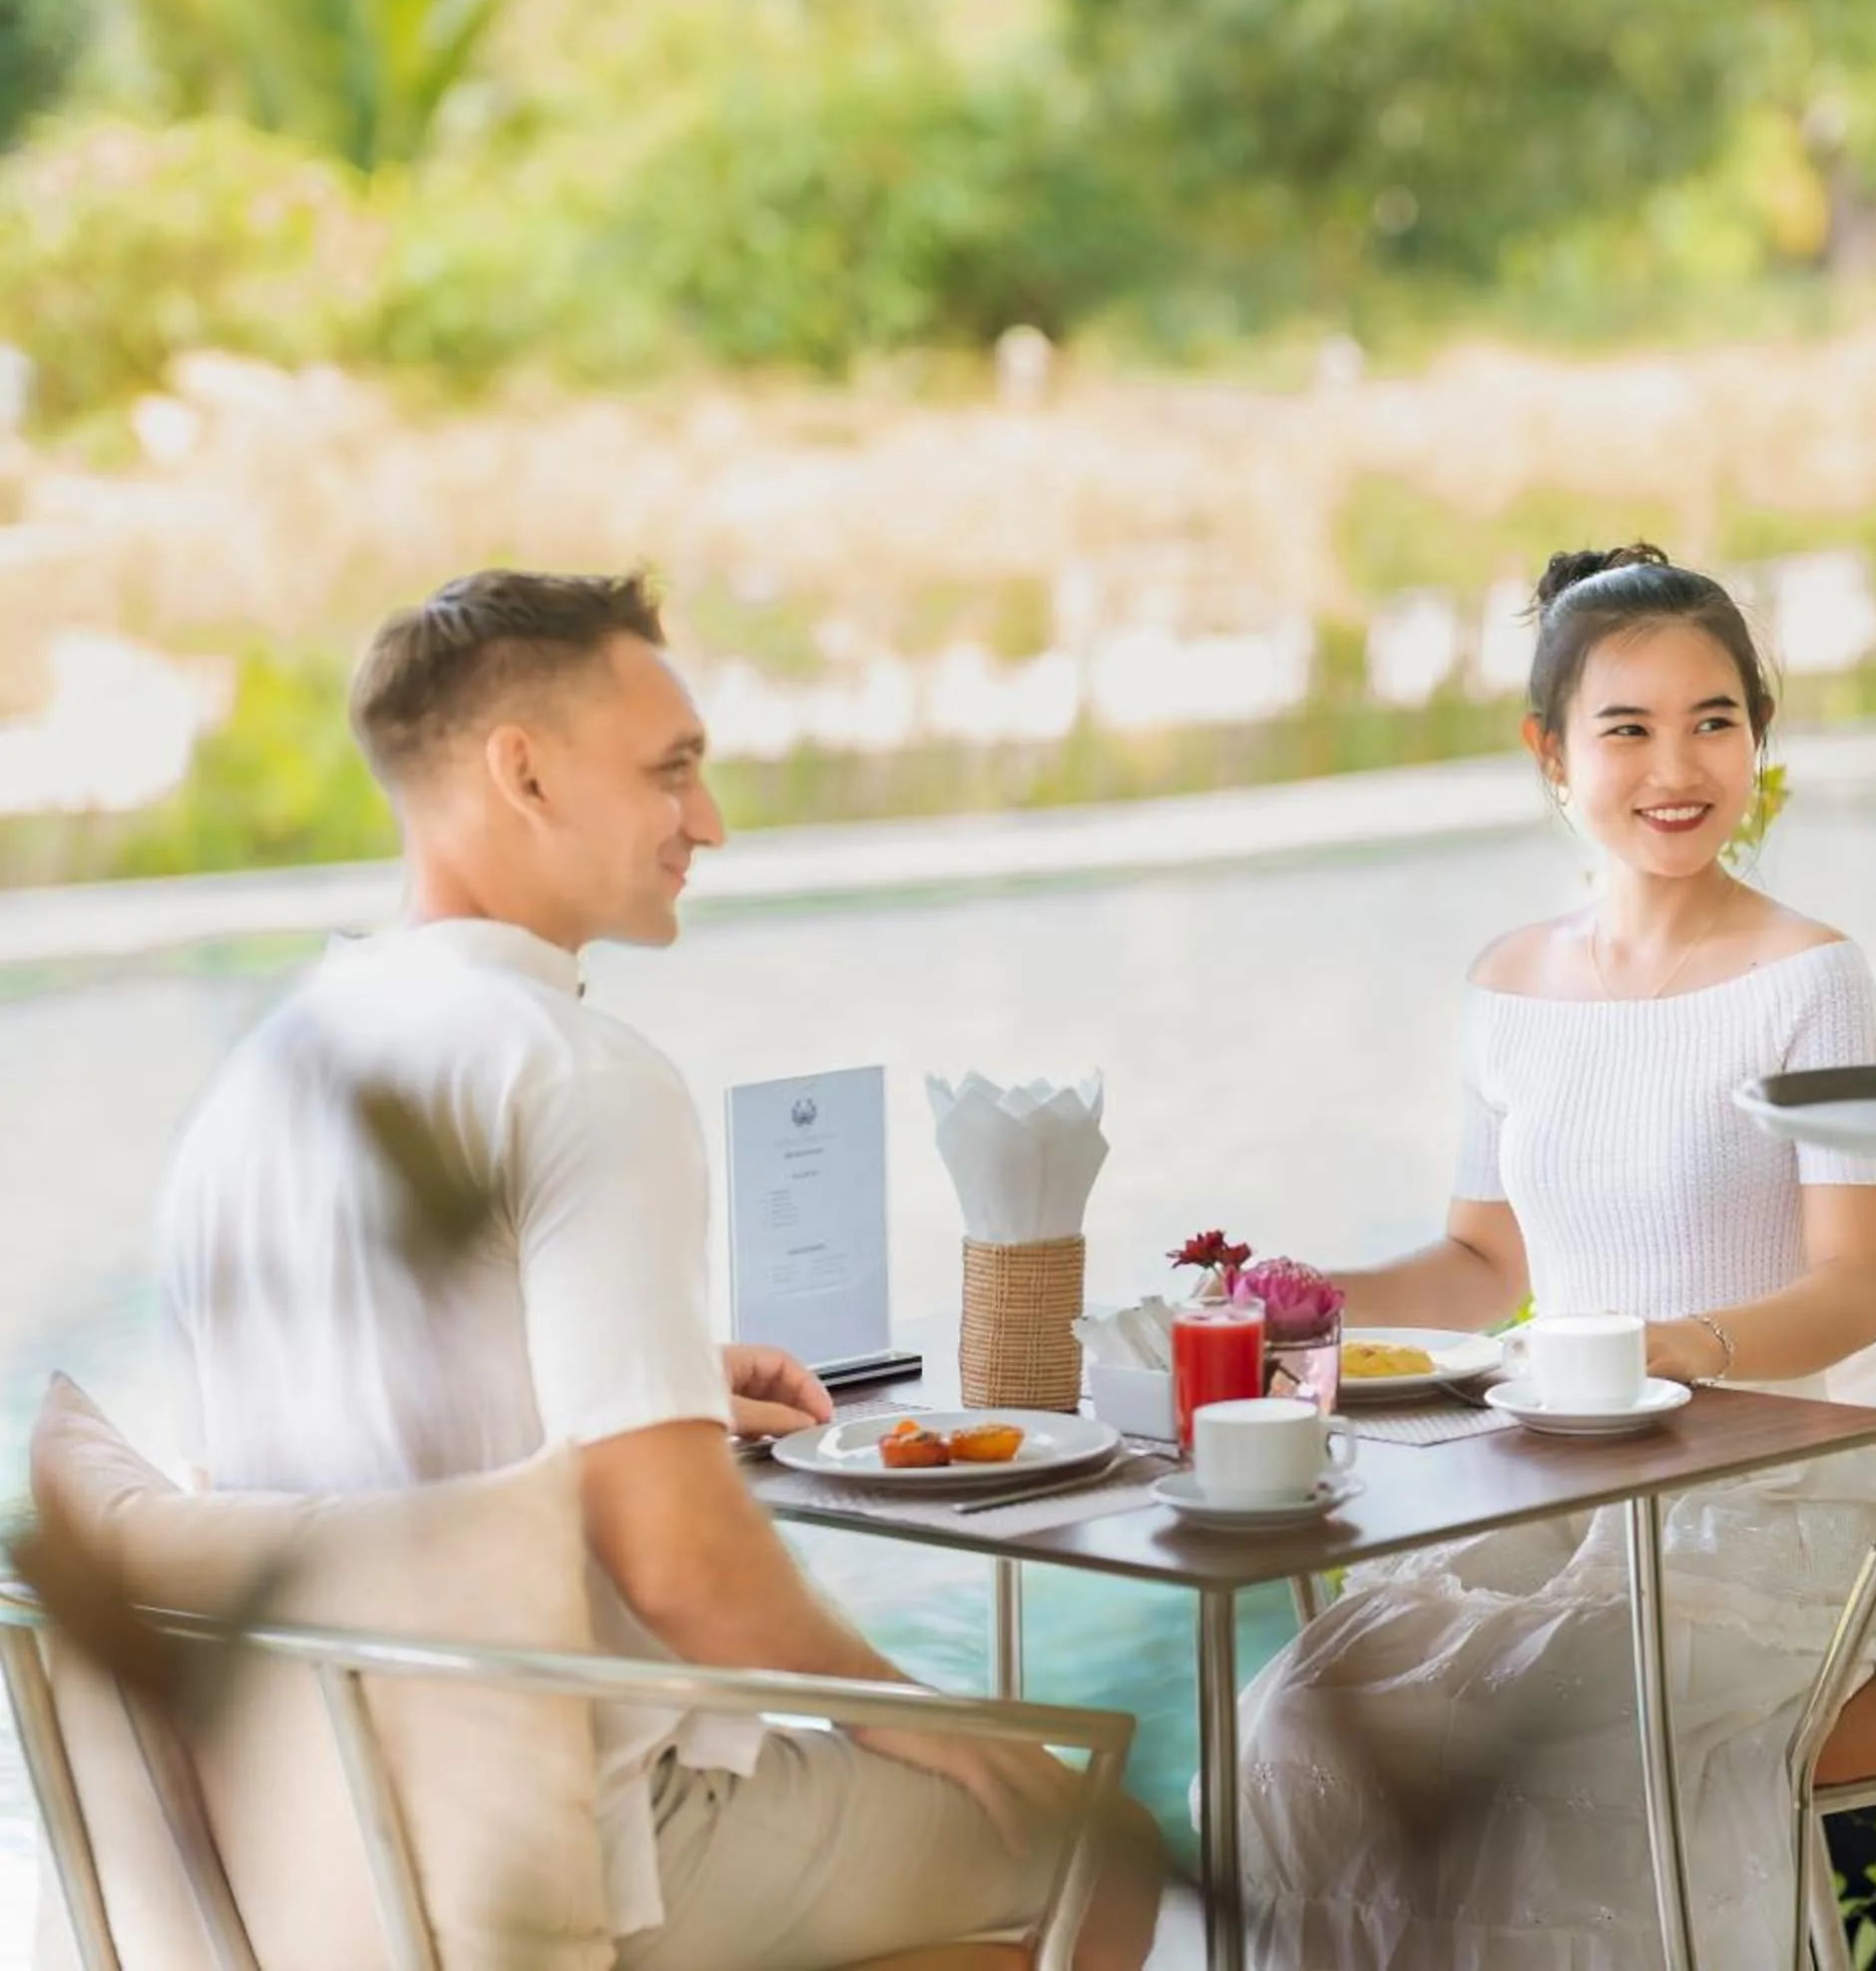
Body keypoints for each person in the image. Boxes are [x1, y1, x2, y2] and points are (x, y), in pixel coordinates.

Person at [156, 570, 1157, 1971]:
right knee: (1091, 1845)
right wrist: (919, 1717)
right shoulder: (575, 1072)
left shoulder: (265, 1078)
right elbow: (679, 1559)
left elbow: (277, 1479)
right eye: (672, 771)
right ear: (524, 771)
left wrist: (663, 1383)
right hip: (568, 1848)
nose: (712, 823)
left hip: (312, 1852)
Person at [1234, 545, 1876, 1968]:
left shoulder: (1816, 977)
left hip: (1761, 1497)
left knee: (1545, 1733)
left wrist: (1678, 1349)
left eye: (1715, 720)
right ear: (1551, 752)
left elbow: (1858, 1290)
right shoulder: (1510, 984)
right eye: (1629, 728)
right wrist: (1309, 1301)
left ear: (1757, 741)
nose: (1679, 767)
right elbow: (1484, 1263)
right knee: (1301, 1711)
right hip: (1553, 1472)